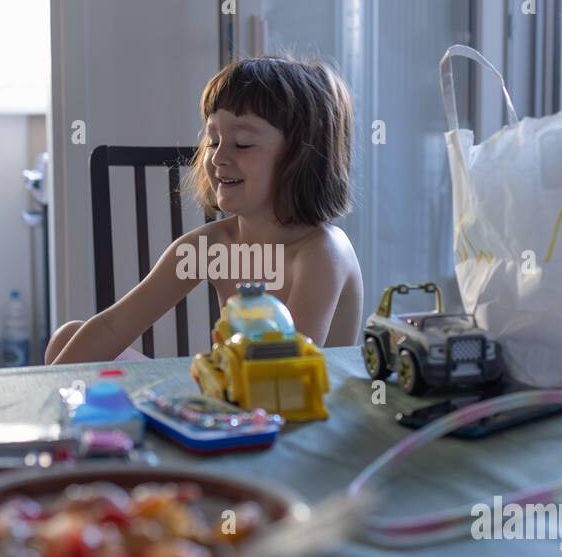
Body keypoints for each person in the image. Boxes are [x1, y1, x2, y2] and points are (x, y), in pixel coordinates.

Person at [47, 56, 364, 364]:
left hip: (296, 405)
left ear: (300, 157)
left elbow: (285, 372)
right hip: (243, 399)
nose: (218, 157)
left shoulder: (321, 253)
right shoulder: (212, 247)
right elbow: (114, 327)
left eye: (241, 143)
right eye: (213, 141)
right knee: (68, 339)